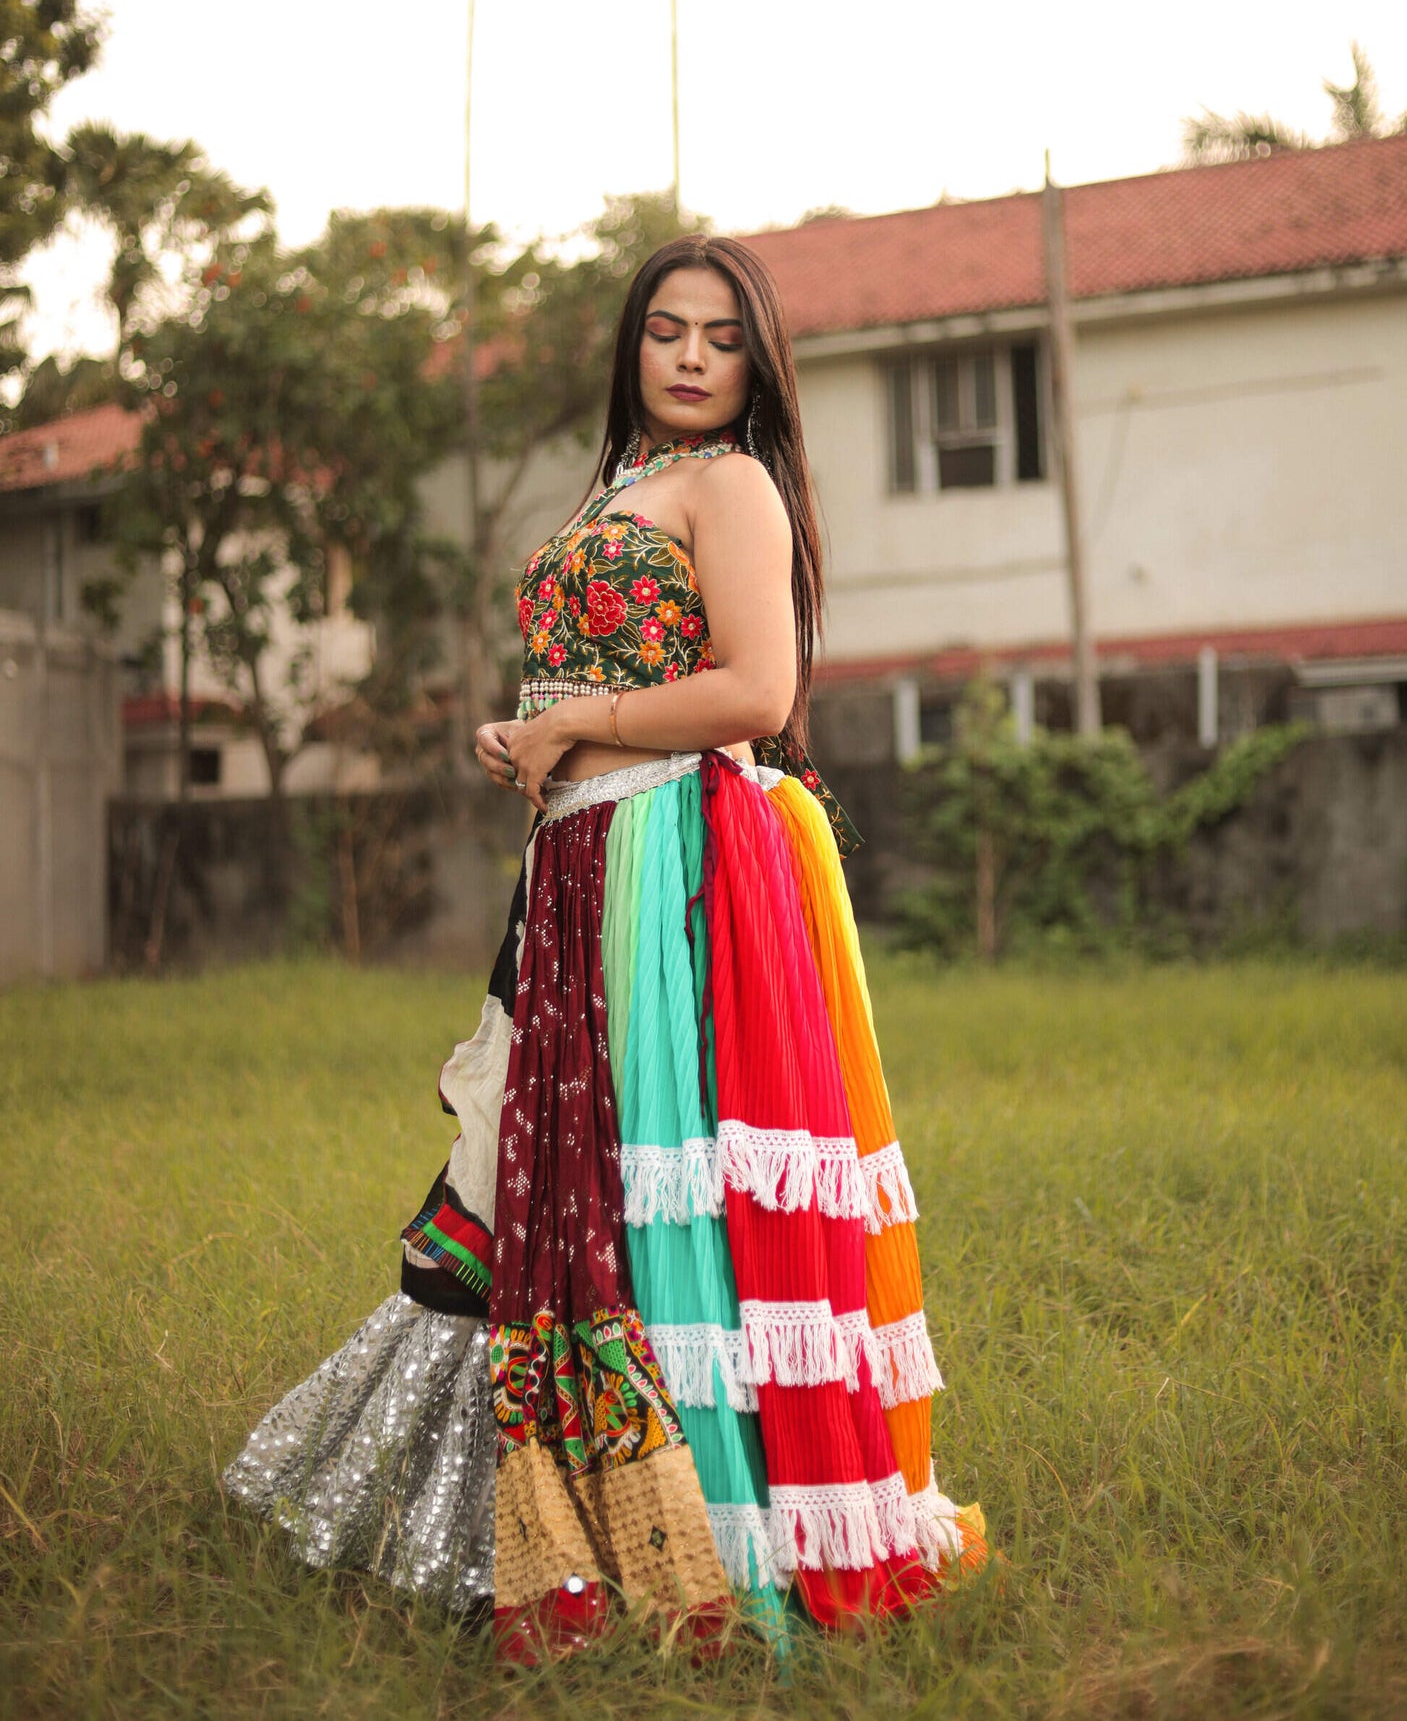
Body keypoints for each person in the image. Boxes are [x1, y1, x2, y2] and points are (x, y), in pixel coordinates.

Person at [224, 235, 987, 1658]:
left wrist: (580, 725)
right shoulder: (621, 483)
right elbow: (604, 671)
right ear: (628, 348)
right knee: (536, 1177)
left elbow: (754, 688)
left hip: (669, 870)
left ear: (755, 363)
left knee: (654, 1197)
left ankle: (703, 1546)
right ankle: (550, 1528)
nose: (691, 357)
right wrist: (530, 729)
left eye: (720, 337)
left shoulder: (732, 483)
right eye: (665, 330)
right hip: (579, 856)